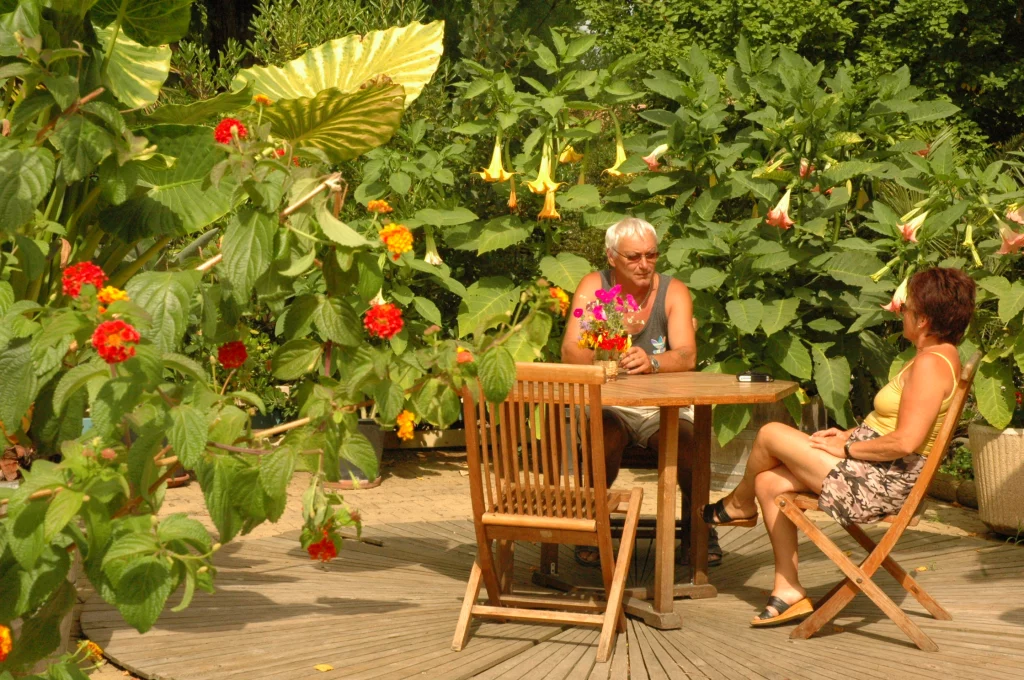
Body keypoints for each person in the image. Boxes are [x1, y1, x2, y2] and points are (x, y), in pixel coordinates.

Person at [701, 267, 976, 627]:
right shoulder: (937, 355)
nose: (900, 312)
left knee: (770, 433)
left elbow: (906, 441)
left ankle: (738, 503)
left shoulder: (930, 365)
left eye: (906, 307)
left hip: (882, 483)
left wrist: (846, 451)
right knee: (769, 483)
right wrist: (846, 436)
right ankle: (789, 590)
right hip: (875, 465)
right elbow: (892, 425)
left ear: (923, 319)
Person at [561, 217, 720, 567]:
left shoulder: (672, 290)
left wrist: (653, 362)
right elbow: (570, 350)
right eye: (634, 257)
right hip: (609, 405)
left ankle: (699, 531)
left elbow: (687, 354)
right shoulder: (594, 285)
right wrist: (608, 349)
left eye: (651, 255)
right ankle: (593, 525)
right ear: (611, 257)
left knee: (690, 441)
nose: (644, 264)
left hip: (663, 407)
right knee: (602, 434)